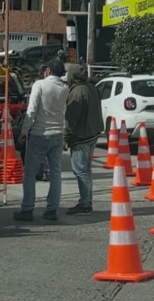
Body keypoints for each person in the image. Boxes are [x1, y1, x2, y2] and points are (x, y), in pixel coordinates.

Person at [13, 57, 69, 222]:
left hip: (39, 133)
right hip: (57, 134)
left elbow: (31, 110)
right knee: (55, 173)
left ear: (48, 71)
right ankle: (52, 209)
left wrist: (24, 131)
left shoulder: (40, 85)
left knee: (30, 172)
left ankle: (27, 209)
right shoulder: (65, 88)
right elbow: (63, 113)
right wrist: (64, 134)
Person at [64, 63, 104, 215]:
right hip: (93, 133)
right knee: (86, 170)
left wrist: (66, 136)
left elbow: (71, 118)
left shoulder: (77, 92)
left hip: (81, 135)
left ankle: (85, 203)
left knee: (80, 170)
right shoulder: (91, 88)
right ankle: (87, 201)